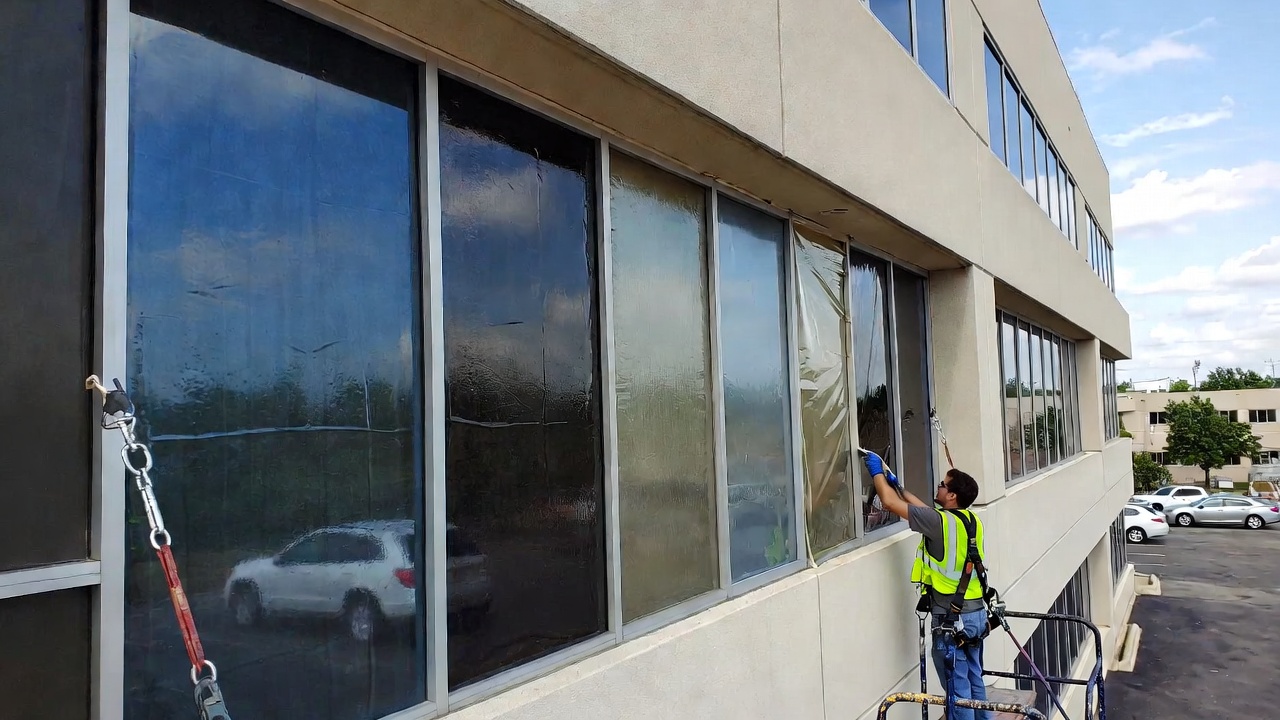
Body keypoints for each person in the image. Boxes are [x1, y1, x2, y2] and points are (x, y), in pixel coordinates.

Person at [863, 450, 991, 720]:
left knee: (957, 690)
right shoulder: (970, 520)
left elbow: (887, 502)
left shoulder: (938, 522)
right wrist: (899, 485)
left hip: (952, 619)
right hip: (977, 615)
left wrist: (876, 472)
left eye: (943, 485)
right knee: (974, 678)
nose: (939, 486)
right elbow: (924, 510)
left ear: (952, 495)